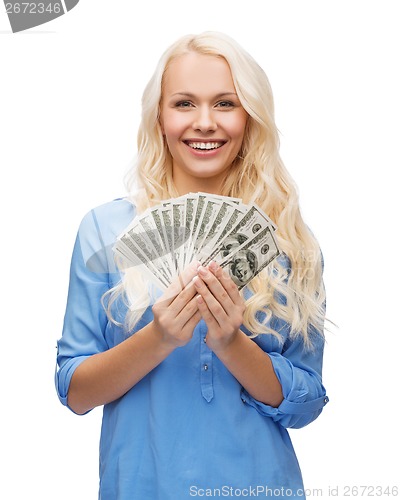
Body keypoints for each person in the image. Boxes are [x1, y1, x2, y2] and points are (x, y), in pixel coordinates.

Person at [56, 31, 329, 499]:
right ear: (159, 118)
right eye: (184, 103)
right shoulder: (104, 231)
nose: (205, 122)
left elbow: (307, 405)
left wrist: (231, 343)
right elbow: (75, 392)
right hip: (142, 486)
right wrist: (159, 338)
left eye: (225, 103)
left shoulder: (288, 241)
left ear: (250, 119)